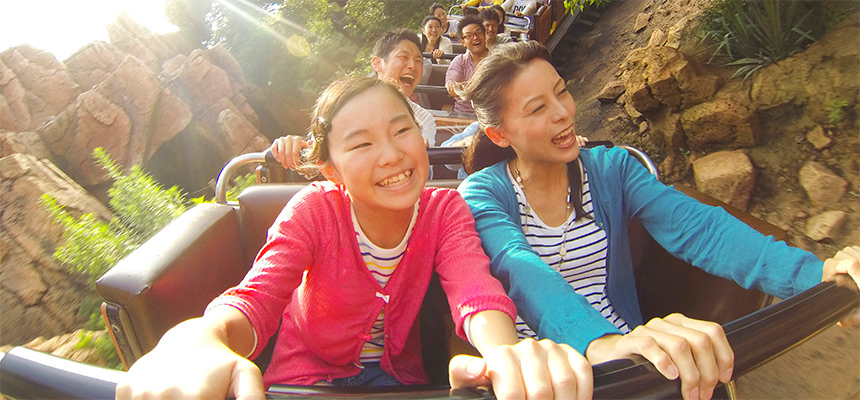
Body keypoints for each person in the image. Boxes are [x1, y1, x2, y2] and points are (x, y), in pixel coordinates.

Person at [117, 77, 595, 399]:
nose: (391, 155)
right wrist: (201, 336)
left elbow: (475, 290)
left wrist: (503, 352)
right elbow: (257, 297)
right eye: (362, 144)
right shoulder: (314, 210)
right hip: (307, 383)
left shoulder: (443, 209)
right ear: (331, 169)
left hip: (398, 382)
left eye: (401, 131)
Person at [454, 41, 860, 400]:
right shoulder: (484, 193)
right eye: (538, 108)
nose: (563, 113)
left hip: (626, 352)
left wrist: (816, 273)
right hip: (542, 370)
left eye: (562, 93)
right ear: (500, 134)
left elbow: (702, 230)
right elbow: (521, 270)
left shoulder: (612, 169)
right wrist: (599, 344)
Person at [445, 16, 489, 114]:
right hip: (463, 114)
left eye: (478, 33)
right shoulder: (459, 61)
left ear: (485, 35)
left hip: (490, 115)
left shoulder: (497, 59)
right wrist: (453, 86)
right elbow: (452, 83)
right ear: (462, 42)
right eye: (469, 36)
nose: (475, 37)